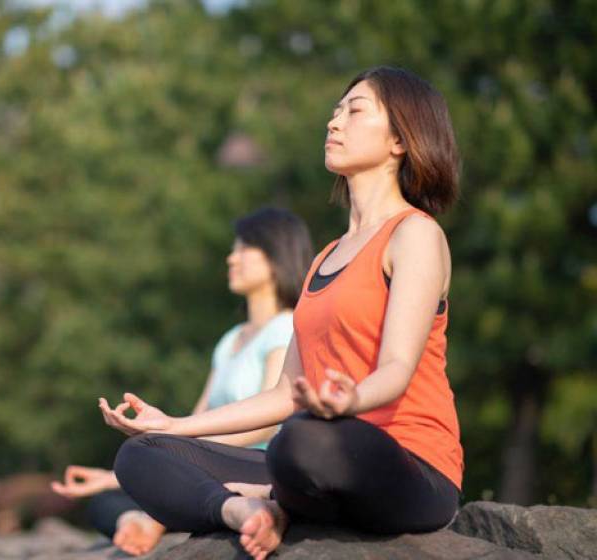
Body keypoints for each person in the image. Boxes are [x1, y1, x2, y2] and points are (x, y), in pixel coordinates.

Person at [99, 66, 464, 560]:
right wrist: (173, 425)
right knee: (141, 456)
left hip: (407, 465)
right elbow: (282, 395)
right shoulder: (325, 257)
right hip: (311, 456)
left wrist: (348, 400)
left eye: (355, 111)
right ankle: (244, 511)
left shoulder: (415, 234)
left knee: (302, 442)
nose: (334, 123)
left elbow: (397, 368)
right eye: (336, 111)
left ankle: (272, 497)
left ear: (401, 139)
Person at [52, 207, 314, 556]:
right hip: (209, 462)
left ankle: (163, 516)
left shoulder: (284, 329)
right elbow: (193, 422)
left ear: (277, 254)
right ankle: (141, 518)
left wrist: (190, 452)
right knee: (104, 501)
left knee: (151, 474)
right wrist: (113, 476)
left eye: (242, 249)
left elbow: (267, 425)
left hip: (255, 465)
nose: (231, 258)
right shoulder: (231, 340)